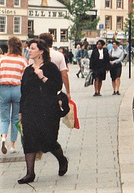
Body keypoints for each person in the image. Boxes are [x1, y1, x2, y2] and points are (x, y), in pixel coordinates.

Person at [18, 39, 68, 184]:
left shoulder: (51, 68)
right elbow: (24, 92)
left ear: (41, 51)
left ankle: (62, 160)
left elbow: (56, 86)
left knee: (49, 141)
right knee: (29, 140)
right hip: (30, 110)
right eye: (30, 48)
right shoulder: (27, 70)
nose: (30, 50)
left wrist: (42, 77)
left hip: (48, 110)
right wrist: (21, 112)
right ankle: (30, 173)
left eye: (33, 48)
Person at [1, 37, 28, 155]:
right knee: (15, 118)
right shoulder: (22, 61)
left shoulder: (1, 59)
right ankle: (12, 145)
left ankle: (3, 138)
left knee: (4, 118)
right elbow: (26, 78)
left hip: (4, 89)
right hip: (17, 89)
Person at [37, 33, 71, 100]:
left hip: (39, 89)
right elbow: (64, 74)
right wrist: (68, 92)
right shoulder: (59, 55)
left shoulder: (36, 55)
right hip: (55, 88)